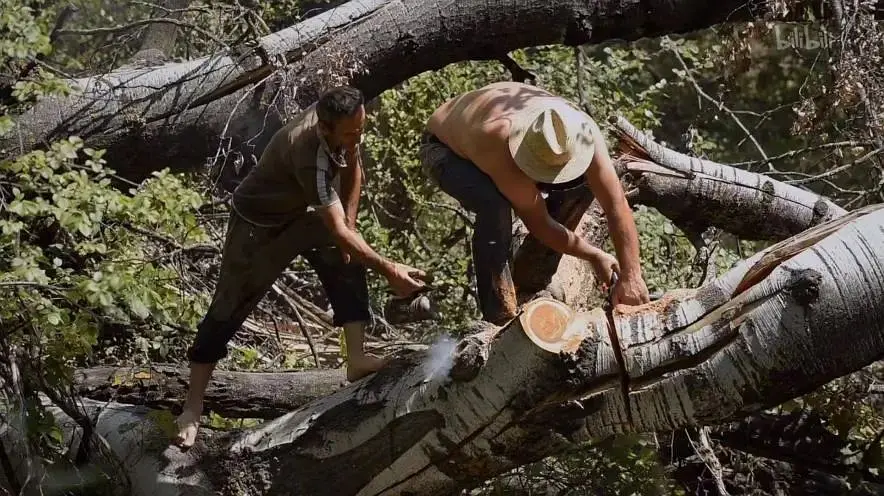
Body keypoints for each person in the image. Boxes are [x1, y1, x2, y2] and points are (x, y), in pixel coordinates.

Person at [174, 86, 428, 448]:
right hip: (257, 226)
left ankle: (356, 357)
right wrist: (388, 269)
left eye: (361, 128)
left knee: (347, 252)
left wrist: (351, 232)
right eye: (351, 132)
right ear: (325, 128)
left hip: (302, 214)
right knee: (228, 306)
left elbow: (354, 172)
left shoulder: (346, 123)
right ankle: (192, 406)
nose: (358, 136)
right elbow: (336, 227)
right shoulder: (307, 151)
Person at [421, 81, 650, 324]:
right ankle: (499, 317)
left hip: (501, 135)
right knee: (495, 206)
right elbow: (538, 223)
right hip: (443, 149)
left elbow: (616, 204)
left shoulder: (580, 131)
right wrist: (594, 255)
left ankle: (535, 272)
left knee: (584, 183)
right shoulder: (495, 140)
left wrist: (631, 275)